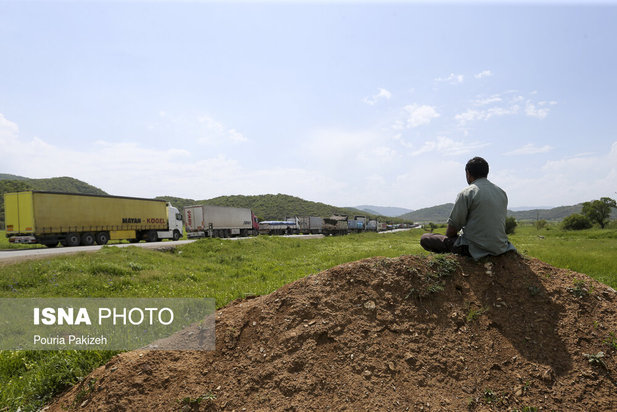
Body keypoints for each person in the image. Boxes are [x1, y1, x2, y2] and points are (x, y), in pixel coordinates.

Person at [420, 156, 516, 260]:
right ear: (486, 173)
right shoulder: (501, 193)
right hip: (500, 247)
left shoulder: (467, 192)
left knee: (425, 238)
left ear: (468, 173)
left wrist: (448, 240)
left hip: (472, 249)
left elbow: (452, 229)